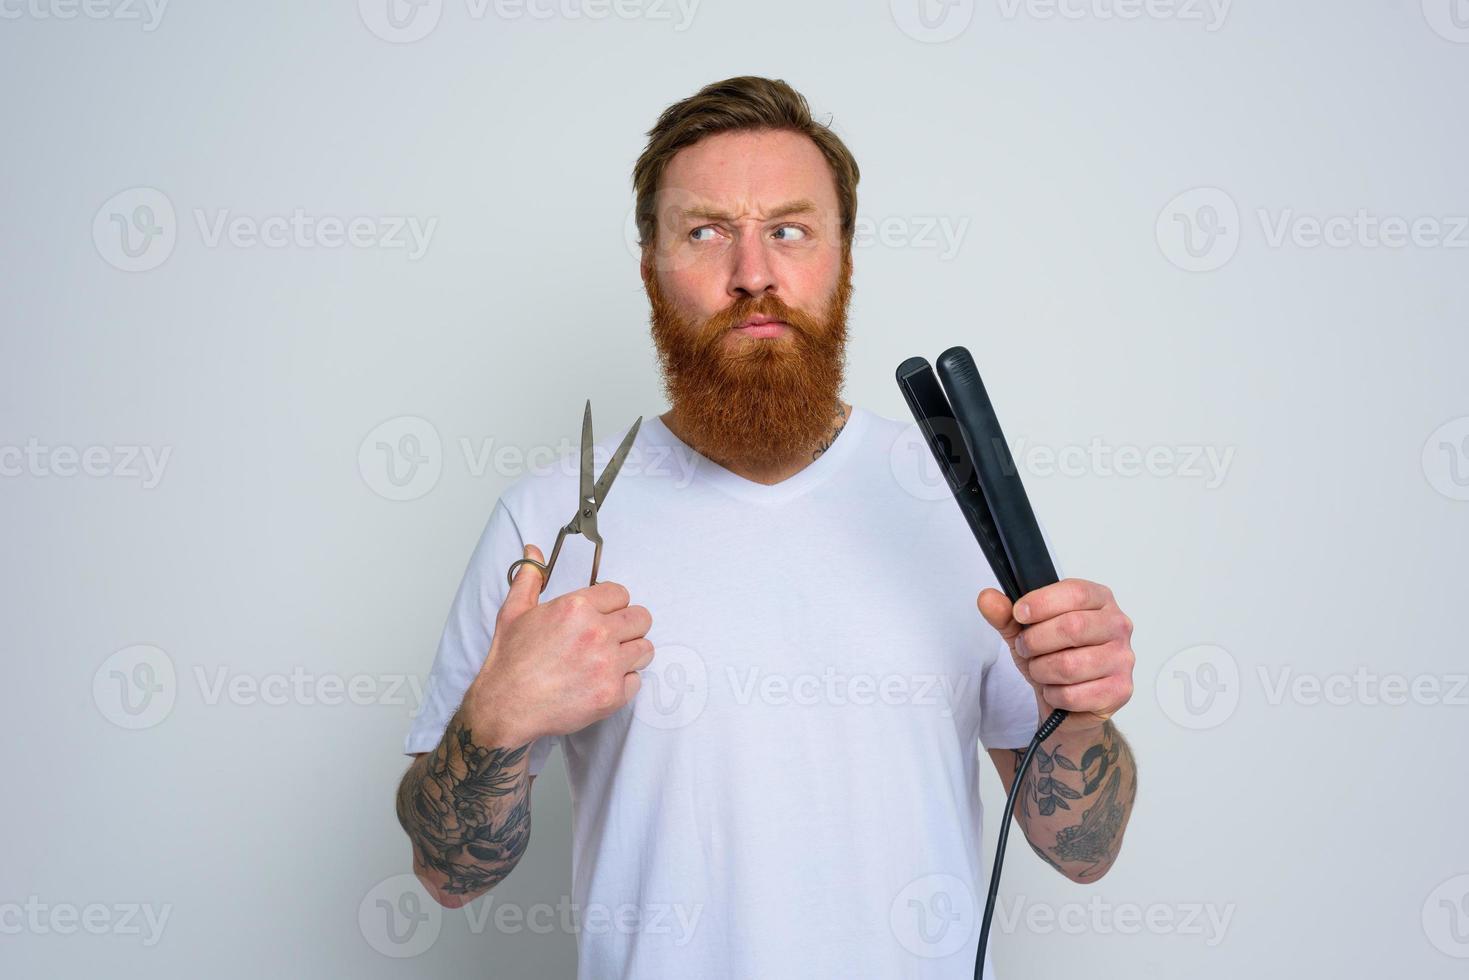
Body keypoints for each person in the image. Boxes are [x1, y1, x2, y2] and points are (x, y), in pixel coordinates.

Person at [395, 75, 1138, 979]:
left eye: (788, 230)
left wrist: (1081, 714)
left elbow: (1081, 850)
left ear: (843, 261)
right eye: (705, 231)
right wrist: (495, 720)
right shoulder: (547, 522)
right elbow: (445, 876)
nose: (753, 273)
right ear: (648, 269)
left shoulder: (953, 499)